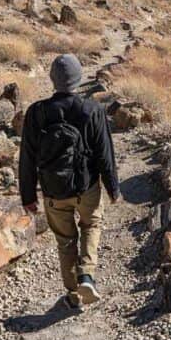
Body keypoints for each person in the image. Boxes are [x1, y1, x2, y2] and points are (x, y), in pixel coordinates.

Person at [19, 54, 119, 309]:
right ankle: (87, 275)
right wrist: (113, 188)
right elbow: (104, 153)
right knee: (91, 224)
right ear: (78, 78)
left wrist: (28, 197)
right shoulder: (92, 109)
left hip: (54, 191)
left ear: (53, 79)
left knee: (65, 241)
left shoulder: (37, 112)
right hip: (87, 187)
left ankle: (74, 295)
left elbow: (27, 158)